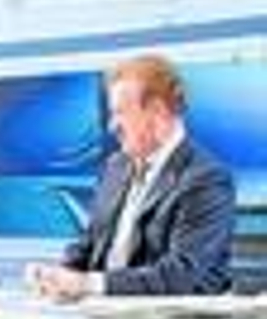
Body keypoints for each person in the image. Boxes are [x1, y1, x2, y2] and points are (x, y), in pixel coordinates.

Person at [33, 54, 236, 300]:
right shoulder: (116, 167)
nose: (112, 126)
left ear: (157, 111)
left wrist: (88, 284)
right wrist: (59, 276)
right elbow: (89, 243)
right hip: (103, 308)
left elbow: (179, 275)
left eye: (120, 113)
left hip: (166, 318)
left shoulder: (206, 179)